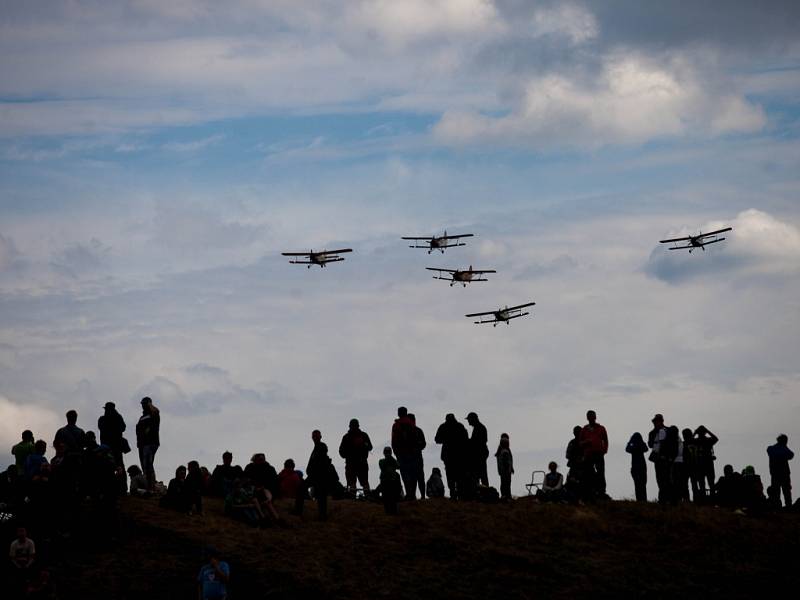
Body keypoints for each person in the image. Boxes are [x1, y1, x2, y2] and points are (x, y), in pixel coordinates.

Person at [434, 414, 469, 499]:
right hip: (459, 455)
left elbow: (437, 439)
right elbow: (466, 439)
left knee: (451, 476)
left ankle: (453, 494)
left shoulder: (443, 426)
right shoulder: (459, 426)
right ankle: (459, 494)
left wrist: (446, 439)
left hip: (449, 456)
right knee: (458, 475)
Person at [579, 410, 608, 498]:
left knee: (601, 473)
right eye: (589, 416)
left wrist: (604, 450)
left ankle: (601, 492)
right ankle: (590, 492)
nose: (591, 418)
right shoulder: (584, 429)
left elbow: (606, 440)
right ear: (587, 418)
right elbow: (580, 443)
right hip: (588, 454)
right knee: (588, 473)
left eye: (592, 416)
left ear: (595, 417)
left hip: (599, 453)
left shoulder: (601, 428)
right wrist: (586, 442)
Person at [338, 418, 373, 493]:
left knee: (354, 483)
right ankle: (368, 498)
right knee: (363, 483)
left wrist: (347, 454)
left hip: (353, 463)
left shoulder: (346, 437)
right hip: (360, 463)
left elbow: (341, 452)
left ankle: (354, 499)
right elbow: (370, 447)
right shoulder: (363, 435)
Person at [306, 430, 333, 520]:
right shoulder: (318, 448)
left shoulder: (320, 447)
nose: (315, 438)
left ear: (320, 437)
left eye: (316, 436)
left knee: (321, 496)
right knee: (320, 496)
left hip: (319, 476)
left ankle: (322, 515)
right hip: (317, 475)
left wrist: (311, 472)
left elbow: (317, 463)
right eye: (314, 436)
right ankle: (322, 515)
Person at [391, 407, 417, 499]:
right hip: (412, 452)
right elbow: (415, 438)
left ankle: (409, 493)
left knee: (405, 473)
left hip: (401, 452)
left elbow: (394, 440)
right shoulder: (412, 424)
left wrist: (395, 451)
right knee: (412, 473)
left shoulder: (396, 425)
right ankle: (412, 494)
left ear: (399, 413)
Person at [136, 397, 160, 491]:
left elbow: (156, 412)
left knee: (148, 465)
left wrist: (150, 404)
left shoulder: (154, 414)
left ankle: (151, 487)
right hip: (142, 444)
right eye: (142, 404)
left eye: (144, 404)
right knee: (145, 465)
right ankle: (149, 486)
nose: (143, 406)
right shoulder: (142, 417)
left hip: (150, 443)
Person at [648, 414, 672, 503]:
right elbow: (650, 444)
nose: (655, 423)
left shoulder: (668, 431)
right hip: (658, 459)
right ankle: (663, 499)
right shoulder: (652, 432)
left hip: (667, 458)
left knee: (668, 479)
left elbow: (672, 444)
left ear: (662, 421)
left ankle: (668, 498)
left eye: (656, 421)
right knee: (660, 479)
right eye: (654, 421)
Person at [767, 434, 794, 508]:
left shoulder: (771, 449)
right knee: (787, 492)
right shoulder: (783, 449)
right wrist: (784, 447)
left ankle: (777, 507)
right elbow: (791, 455)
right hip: (784, 474)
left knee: (776, 492)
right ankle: (789, 507)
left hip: (774, 474)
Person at [693, 425, 719, 500]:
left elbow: (689, 440)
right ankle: (712, 500)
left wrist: (695, 432)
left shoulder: (696, 441)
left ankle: (703, 500)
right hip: (709, 464)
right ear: (705, 433)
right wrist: (707, 431)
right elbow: (716, 438)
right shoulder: (708, 440)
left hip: (700, 464)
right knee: (711, 484)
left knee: (702, 485)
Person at [98, 402, 127, 468]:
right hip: (116, 445)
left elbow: (100, 427)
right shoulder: (118, 417)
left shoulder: (102, 419)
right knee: (119, 464)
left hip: (106, 446)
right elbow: (123, 428)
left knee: (107, 465)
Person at [466, 412, 490, 488]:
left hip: (479, 455)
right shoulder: (479, 427)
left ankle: (484, 492)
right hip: (481, 454)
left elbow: (478, 442)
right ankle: (484, 491)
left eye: (469, 420)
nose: (468, 421)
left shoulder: (479, 428)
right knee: (481, 475)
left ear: (473, 419)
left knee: (479, 475)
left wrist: (469, 442)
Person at [10, 526, 36, 592]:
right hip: (17, 565)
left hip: (28, 564)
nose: (21, 533)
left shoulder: (30, 542)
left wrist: (27, 565)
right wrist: (18, 566)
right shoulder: (14, 544)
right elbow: (12, 558)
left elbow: (32, 556)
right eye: (20, 531)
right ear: (17, 533)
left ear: (26, 533)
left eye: (23, 531)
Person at [625, 432, 648, 502]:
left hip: (637, 466)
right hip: (640, 466)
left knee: (638, 484)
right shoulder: (641, 444)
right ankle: (643, 499)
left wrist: (632, 443)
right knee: (641, 484)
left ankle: (640, 499)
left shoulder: (636, 445)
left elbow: (628, 449)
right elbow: (627, 449)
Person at [378, 447, 401, 515]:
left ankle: (393, 512)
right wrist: (390, 458)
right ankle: (388, 512)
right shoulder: (381, 461)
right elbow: (382, 466)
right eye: (386, 452)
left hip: (392, 481)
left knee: (393, 498)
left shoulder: (392, 460)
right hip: (386, 482)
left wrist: (391, 458)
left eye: (388, 452)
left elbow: (398, 466)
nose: (387, 453)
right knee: (386, 498)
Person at [409, 414, 427, 499]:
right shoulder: (418, 430)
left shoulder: (415, 431)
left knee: (414, 478)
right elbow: (423, 444)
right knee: (419, 477)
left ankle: (416, 496)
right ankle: (420, 495)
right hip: (417, 456)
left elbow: (423, 444)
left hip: (412, 457)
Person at [495, 433, 513, 501]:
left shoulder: (500, 451)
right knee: (507, 484)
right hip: (506, 471)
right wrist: (509, 469)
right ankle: (507, 496)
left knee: (503, 483)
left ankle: (504, 495)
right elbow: (507, 462)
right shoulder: (505, 451)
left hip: (502, 471)